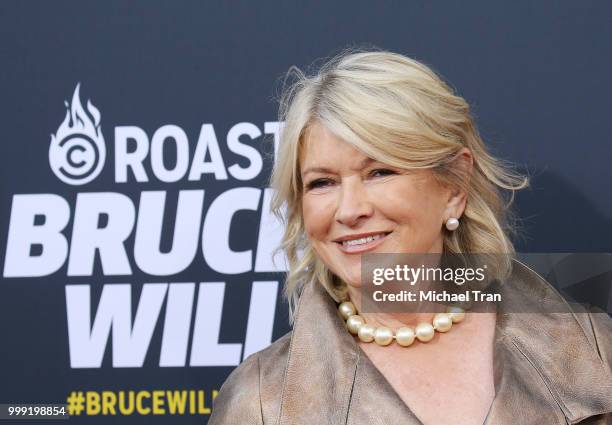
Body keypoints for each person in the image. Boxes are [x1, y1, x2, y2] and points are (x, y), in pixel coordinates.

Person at [208, 49, 612, 425]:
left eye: (379, 173)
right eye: (322, 183)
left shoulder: (592, 348)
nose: (349, 210)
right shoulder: (261, 403)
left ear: (453, 186)